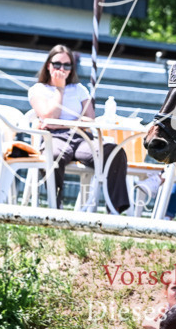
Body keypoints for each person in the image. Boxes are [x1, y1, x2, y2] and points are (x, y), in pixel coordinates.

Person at [27, 45, 130, 213]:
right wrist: (59, 89)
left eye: (67, 65)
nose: (62, 69)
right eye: (57, 64)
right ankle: (56, 206)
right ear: (48, 65)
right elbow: (47, 115)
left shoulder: (79, 89)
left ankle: (115, 208)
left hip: (82, 137)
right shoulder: (38, 89)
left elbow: (90, 120)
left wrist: (61, 123)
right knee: (53, 155)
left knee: (114, 151)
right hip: (53, 138)